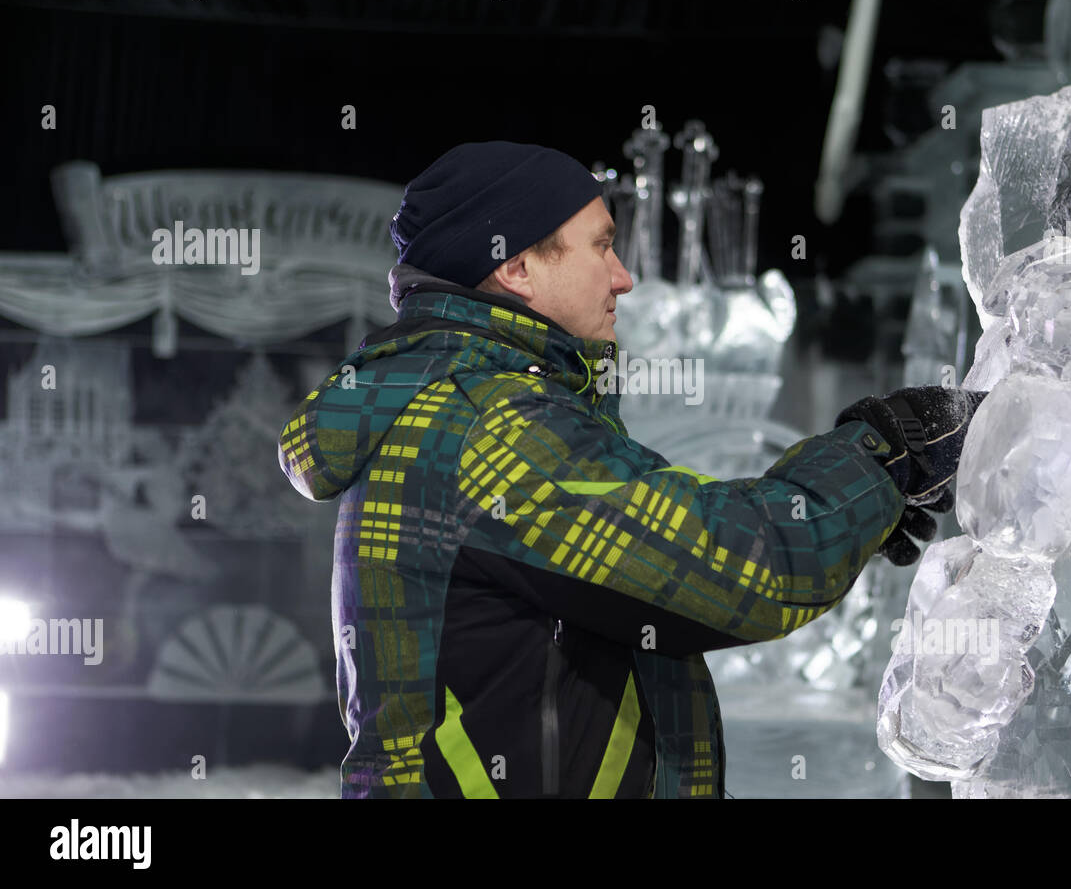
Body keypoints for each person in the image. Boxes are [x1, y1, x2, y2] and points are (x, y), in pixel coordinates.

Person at [277, 140, 985, 798]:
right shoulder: (491, 427)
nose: (625, 276)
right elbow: (746, 563)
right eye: (602, 246)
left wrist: (866, 503)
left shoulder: (448, 406)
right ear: (517, 266)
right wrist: (886, 454)